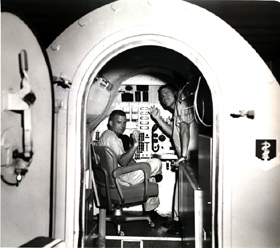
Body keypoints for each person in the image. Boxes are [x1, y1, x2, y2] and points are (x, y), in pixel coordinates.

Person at [149, 83, 199, 235]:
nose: (164, 98)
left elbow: (185, 131)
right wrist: (157, 119)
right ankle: (178, 221)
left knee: (186, 190)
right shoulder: (177, 110)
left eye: (167, 93)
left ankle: (181, 223)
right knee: (181, 188)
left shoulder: (181, 105)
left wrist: (183, 156)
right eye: (161, 96)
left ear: (176, 93)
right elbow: (173, 132)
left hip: (190, 156)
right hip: (185, 156)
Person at [97, 109, 165, 219]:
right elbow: (123, 162)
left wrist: (137, 164)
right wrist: (135, 144)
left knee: (149, 173)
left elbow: (124, 159)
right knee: (156, 162)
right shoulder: (112, 139)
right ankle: (157, 175)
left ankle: (151, 210)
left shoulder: (105, 136)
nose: (122, 126)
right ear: (110, 123)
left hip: (113, 177)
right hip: (120, 178)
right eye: (119, 122)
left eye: (124, 123)